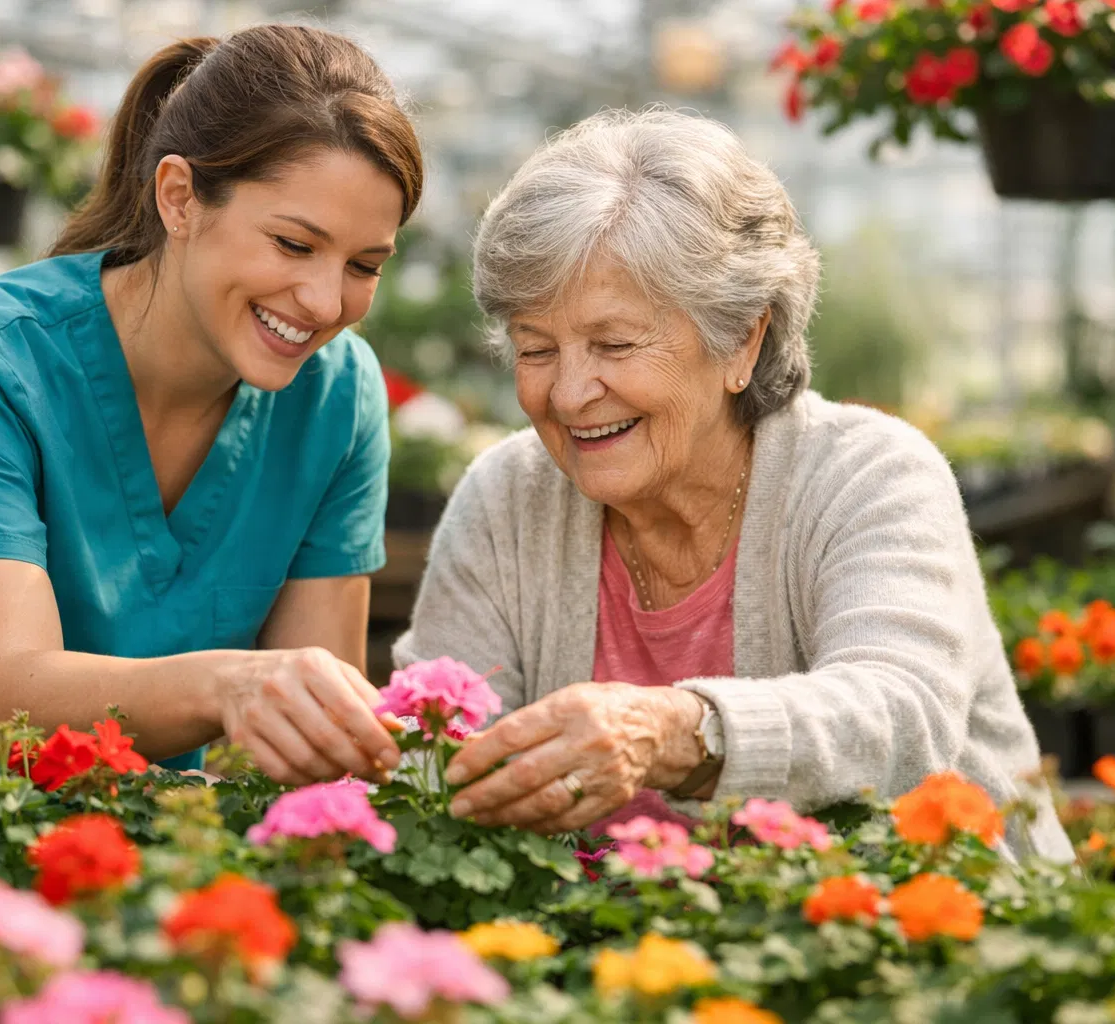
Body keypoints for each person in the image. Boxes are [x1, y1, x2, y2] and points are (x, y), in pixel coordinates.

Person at [0, 25, 424, 783]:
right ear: (179, 198)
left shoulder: (336, 396)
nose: (326, 302)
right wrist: (233, 686)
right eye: (293, 245)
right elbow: (9, 709)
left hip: (107, 835)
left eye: (364, 265)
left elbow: (310, 754)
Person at [395, 108, 1071, 859]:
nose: (569, 392)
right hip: (604, 960)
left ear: (743, 339)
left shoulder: (870, 474)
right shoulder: (506, 498)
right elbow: (434, 755)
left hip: (927, 939)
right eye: (536, 348)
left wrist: (683, 733)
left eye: (614, 344)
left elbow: (900, 718)